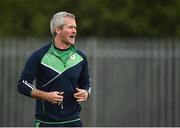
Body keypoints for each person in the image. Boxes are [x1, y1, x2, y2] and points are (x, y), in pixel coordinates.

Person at [17, 11, 92, 127]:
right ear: (58, 30)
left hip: (73, 122)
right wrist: (46, 96)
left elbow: (86, 83)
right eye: (70, 27)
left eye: (75, 27)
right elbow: (22, 84)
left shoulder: (81, 57)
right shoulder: (39, 56)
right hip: (46, 123)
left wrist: (86, 93)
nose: (75, 31)